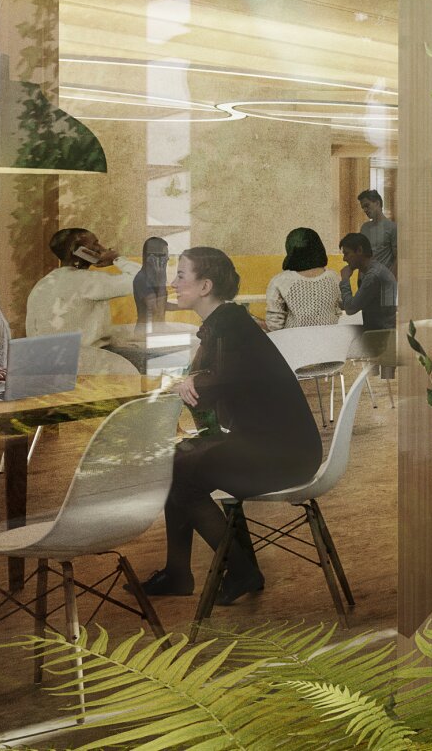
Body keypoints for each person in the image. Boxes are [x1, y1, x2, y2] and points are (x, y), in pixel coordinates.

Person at [140, 247, 322, 601]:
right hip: (272, 445)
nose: (173, 282)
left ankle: (237, 571)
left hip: (283, 456)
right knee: (176, 461)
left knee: (178, 468)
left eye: (181, 275)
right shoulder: (228, 323)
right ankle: (190, 573)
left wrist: (194, 381)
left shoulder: (230, 327)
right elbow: (212, 380)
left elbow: (215, 383)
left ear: (205, 285)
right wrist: (194, 378)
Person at [24, 228, 142, 375]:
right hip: (85, 363)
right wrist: (117, 259)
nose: (101, 248)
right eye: (95, 244)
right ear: (80, 252)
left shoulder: (44, 283)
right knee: (147, 363)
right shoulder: (86, 280)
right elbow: (143, 280)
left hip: (48, 363)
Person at [339, 229, 398, 379]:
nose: (344, 259)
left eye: (347, 253)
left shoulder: (372, 276)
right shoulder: (371, 271)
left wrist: (345, 280)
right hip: (383, 334)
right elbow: (359, 302)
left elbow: (351, 308)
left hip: (382, 337)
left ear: (359, 250)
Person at [263, 228, 341, 331]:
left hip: (294, 344)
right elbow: (339, 312)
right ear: (319, 248)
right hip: (329, 342)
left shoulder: (280, 281)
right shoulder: (334, 277)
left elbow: (274, 326)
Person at [357, 190, 398, 285]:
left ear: (377, 203)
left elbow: (397, 258)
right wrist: (359, 279)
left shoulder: (392, 227)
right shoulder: (364, 228)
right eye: (363, 208)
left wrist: (390, 280)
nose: (365, 210)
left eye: (367, 206)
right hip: (365, 282)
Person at [131, 237, 172, 331]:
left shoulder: (154, 277)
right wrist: (162, 282)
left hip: (155, 332)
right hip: (145, 336)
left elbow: (162, 304)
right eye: (165, 255)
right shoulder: (141, 279)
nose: (168, 258)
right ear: (152, 258)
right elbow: (158, 312)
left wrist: (190, 305)